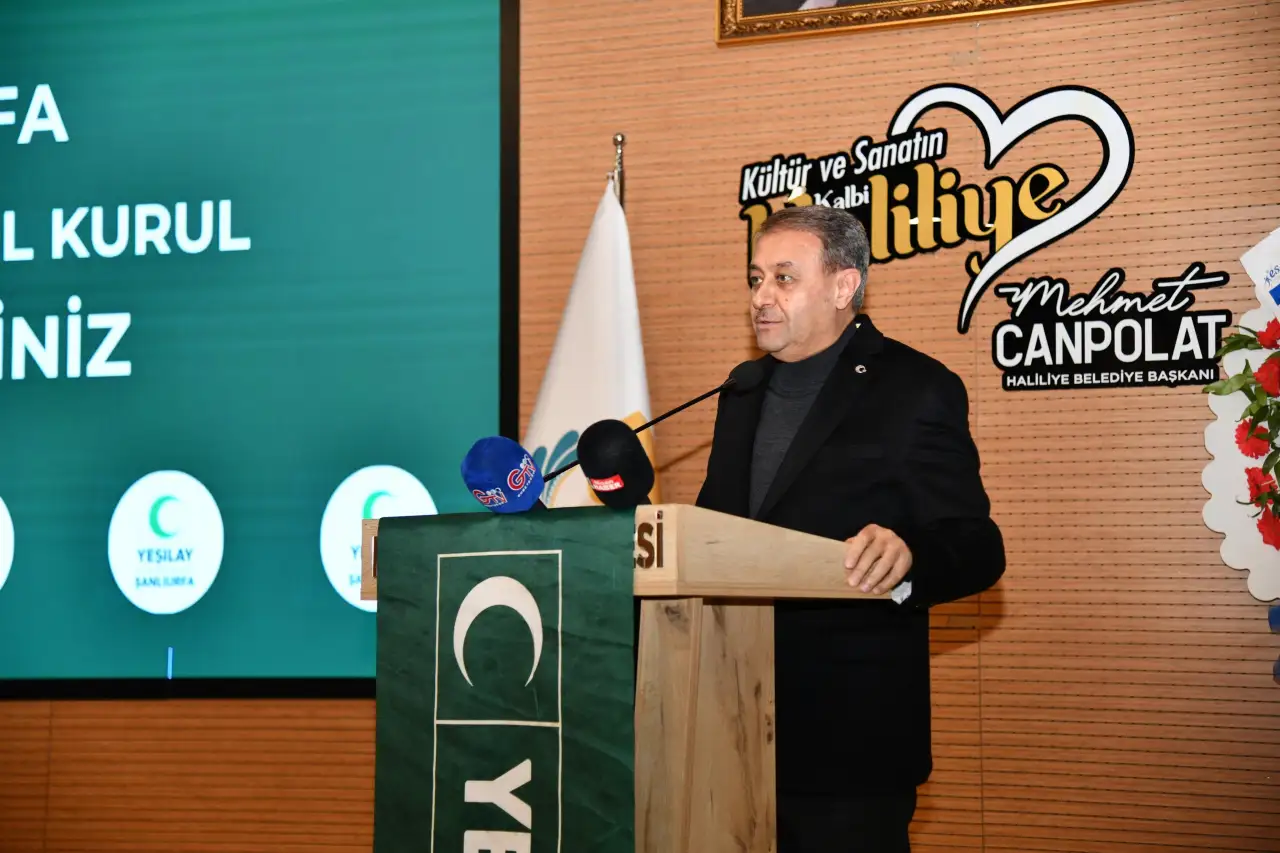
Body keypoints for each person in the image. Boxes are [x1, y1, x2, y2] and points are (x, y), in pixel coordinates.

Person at [695, 205, 1005, 852]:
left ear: (844, 286)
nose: (761, 296)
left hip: (850, 745)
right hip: (732, 731)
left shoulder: (914, 387)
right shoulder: (741, 392)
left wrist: (909, 555)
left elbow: (977, 545)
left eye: (784, 278)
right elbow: (714, 532)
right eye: (755, 278)